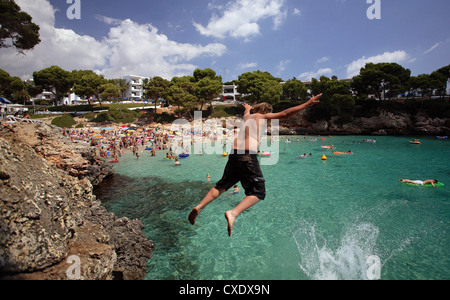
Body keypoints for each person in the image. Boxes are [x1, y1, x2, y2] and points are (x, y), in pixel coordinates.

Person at [188, 94, 322, 236]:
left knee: (223, 185)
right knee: (259, 192)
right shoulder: (263, 117)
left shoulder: (247, 118)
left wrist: (247, 108)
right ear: (266, 111)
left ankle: (200, 206)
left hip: (234, 153)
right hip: (247, 155)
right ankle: (233, 213)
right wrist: (307, 104)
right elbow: (285, 113)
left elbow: (246, 112)